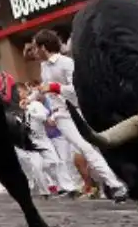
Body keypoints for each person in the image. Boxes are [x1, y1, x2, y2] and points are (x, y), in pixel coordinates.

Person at [28, 30, 126, 199]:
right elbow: (44, 87)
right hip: (62, 116)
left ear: (44, 47)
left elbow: (78, 89)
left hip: (78, 111)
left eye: (36, 48)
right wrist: (31, 97)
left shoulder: (66, 63)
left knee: (90, 148)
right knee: (84, 150)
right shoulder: (43, 67)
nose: (35, 52)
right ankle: (111, 185)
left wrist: (56, 88)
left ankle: (114, 184)